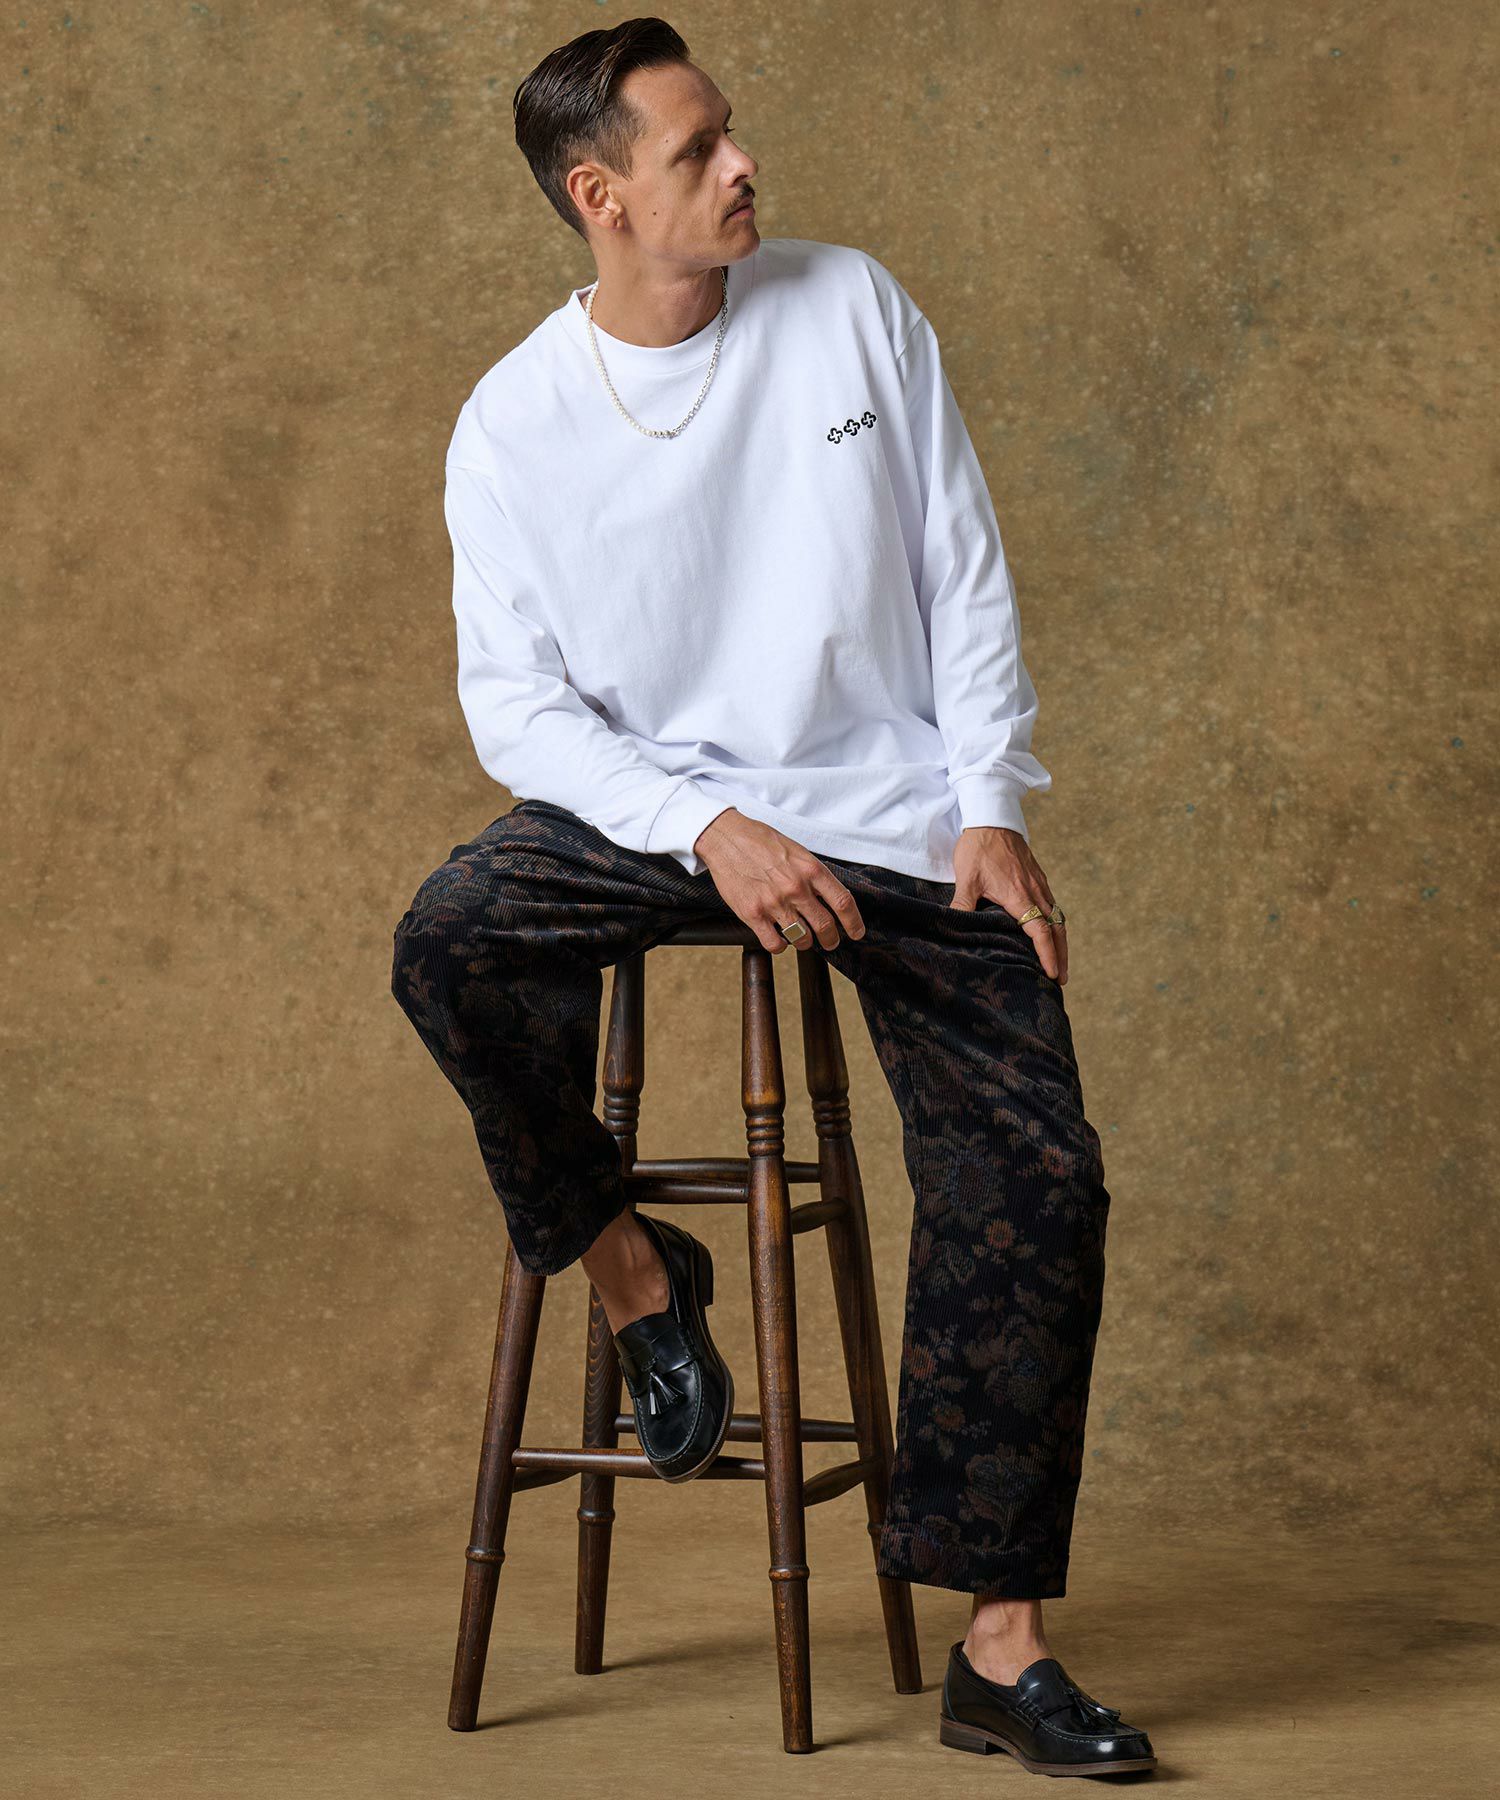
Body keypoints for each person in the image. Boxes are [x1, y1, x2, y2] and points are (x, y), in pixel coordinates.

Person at [390, 15, 1156, 1778]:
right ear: (600, 198)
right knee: (450, 941)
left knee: (1039, 1171)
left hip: (889, 808)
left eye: (731, 132)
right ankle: (633, 1271)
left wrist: (989, 804)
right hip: (661, 815)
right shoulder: (512, 424)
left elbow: (961, 565)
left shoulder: (851, 304)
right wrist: (705, 824)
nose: (743, 166)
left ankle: (1001, 1649)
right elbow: (519, 713)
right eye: (697, 151)